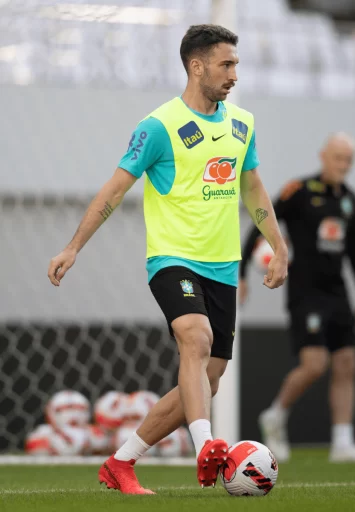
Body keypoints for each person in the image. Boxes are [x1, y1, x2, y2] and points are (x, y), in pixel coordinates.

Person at [47, 24, 289, 494]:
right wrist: (73, 246)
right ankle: (206, 446)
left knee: (208, 379)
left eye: (236, 64)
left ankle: (120, 463)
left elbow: (253, 187)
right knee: (194, 339)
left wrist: (278, 246)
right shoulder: (158, 126)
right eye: (226, 64)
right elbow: (114, 190)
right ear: (196, 66)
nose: (234, 74)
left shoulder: (243, 124)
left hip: (223, 266)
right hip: (173, 260)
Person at [239, 133, 355, 463]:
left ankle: (343, 442)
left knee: (347, 362)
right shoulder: (299, 191)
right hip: (305, 292)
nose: (343, 166)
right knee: (314, 364)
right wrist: (243, 271)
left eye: (348, 160)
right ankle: (275, 415)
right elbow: (262, 220)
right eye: (338, 158)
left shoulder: (350, 200)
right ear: (323, 156)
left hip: (338, 293)